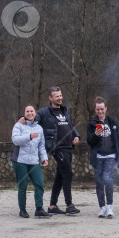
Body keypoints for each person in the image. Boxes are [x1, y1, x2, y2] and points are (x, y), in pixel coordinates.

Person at [35, 86, 80, 215]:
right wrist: (25, 120)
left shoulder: (65, 111)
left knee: (60, 176)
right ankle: (69, 204)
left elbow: (70, 126)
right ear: (50, 98)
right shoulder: (43, 112)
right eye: (57, 96)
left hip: (68, 147)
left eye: (61, 95)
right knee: (68, 173)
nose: (60, 98)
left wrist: (76, 136)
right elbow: (33, 122)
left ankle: (52, 206)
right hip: (57, 148)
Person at [87, 96, 119, 218]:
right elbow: (90, 141)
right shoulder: (92, 123)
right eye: (98, 109)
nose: (100, 111)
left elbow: (118, 141)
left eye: (102, 109)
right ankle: (102, 208)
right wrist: (96, 134)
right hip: (97, 157)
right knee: (99, 182)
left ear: (106, 108)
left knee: (107, 178)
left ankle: (110, 207)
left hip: (110, 155)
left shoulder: (112, 122)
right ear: (95, 109)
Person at [12, 105, 50, 218]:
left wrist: (44, 158)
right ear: (24, 113)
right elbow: (15, 140)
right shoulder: (19, 125)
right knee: (22, 186)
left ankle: (39, 208)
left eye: (31, 111)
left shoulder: (39, 128)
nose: (29, 113)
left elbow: (41, 146)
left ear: (35, 113)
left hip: (34, 161)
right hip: (20, 161)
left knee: (39, 183)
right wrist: (29, 136)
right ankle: (22, 210)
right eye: (27, 111)